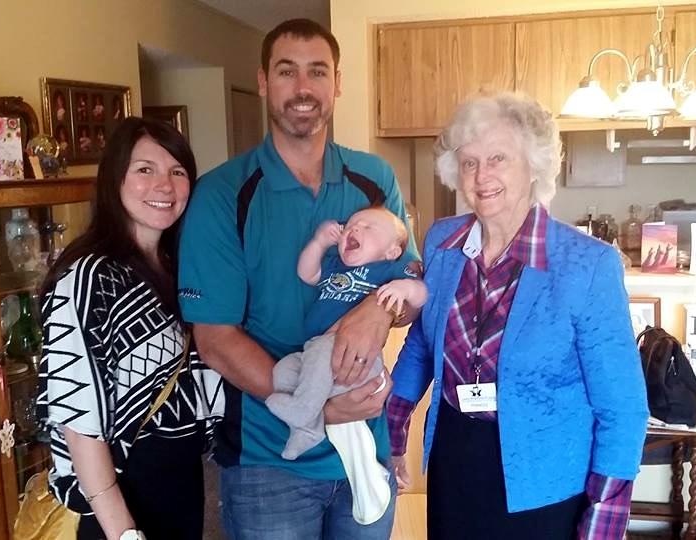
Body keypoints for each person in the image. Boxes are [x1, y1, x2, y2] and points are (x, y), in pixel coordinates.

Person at [178, 18, 417, 540]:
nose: (303, 88)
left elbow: (411, 286)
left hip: (363, 453)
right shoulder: (222, 193)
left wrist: (374, 311)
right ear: (263, 81)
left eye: (318, 72)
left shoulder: (375, 180)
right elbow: (214, 339)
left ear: (337, 83)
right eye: (287, 72)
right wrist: (319, 408)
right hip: (268, 464)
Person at [387, 92, 649, 540]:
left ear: (534, 165)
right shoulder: (443, 243)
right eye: (469, 162)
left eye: (498, 158)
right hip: (454, 462)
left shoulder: (586, 265)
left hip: (545, 480)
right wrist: (391, 430)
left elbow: (622, 408)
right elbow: (422, 345)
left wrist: (604, 518)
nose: (481, 175)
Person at [37, 117, 222, 540]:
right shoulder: (89, 279)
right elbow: (78, 415)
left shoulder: (182, 268)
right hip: (118, 497)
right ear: (114, 180)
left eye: (178, 172)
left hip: (183, 484)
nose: (165, 185)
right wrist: (124, 531)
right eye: (145, 169)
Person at [266, 206, 427, 524]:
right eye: (351, 225)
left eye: (368, 227)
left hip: (354, 357)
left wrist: (402, 289)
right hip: (316, 353)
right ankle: (308, 426)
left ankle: (303, 414)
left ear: (392, 250)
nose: (354, 229)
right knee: (283, 370)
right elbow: (306, 273)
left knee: (316, 358)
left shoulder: (390, 268)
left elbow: (422, 294)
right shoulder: (335, 266)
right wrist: (318, 242)